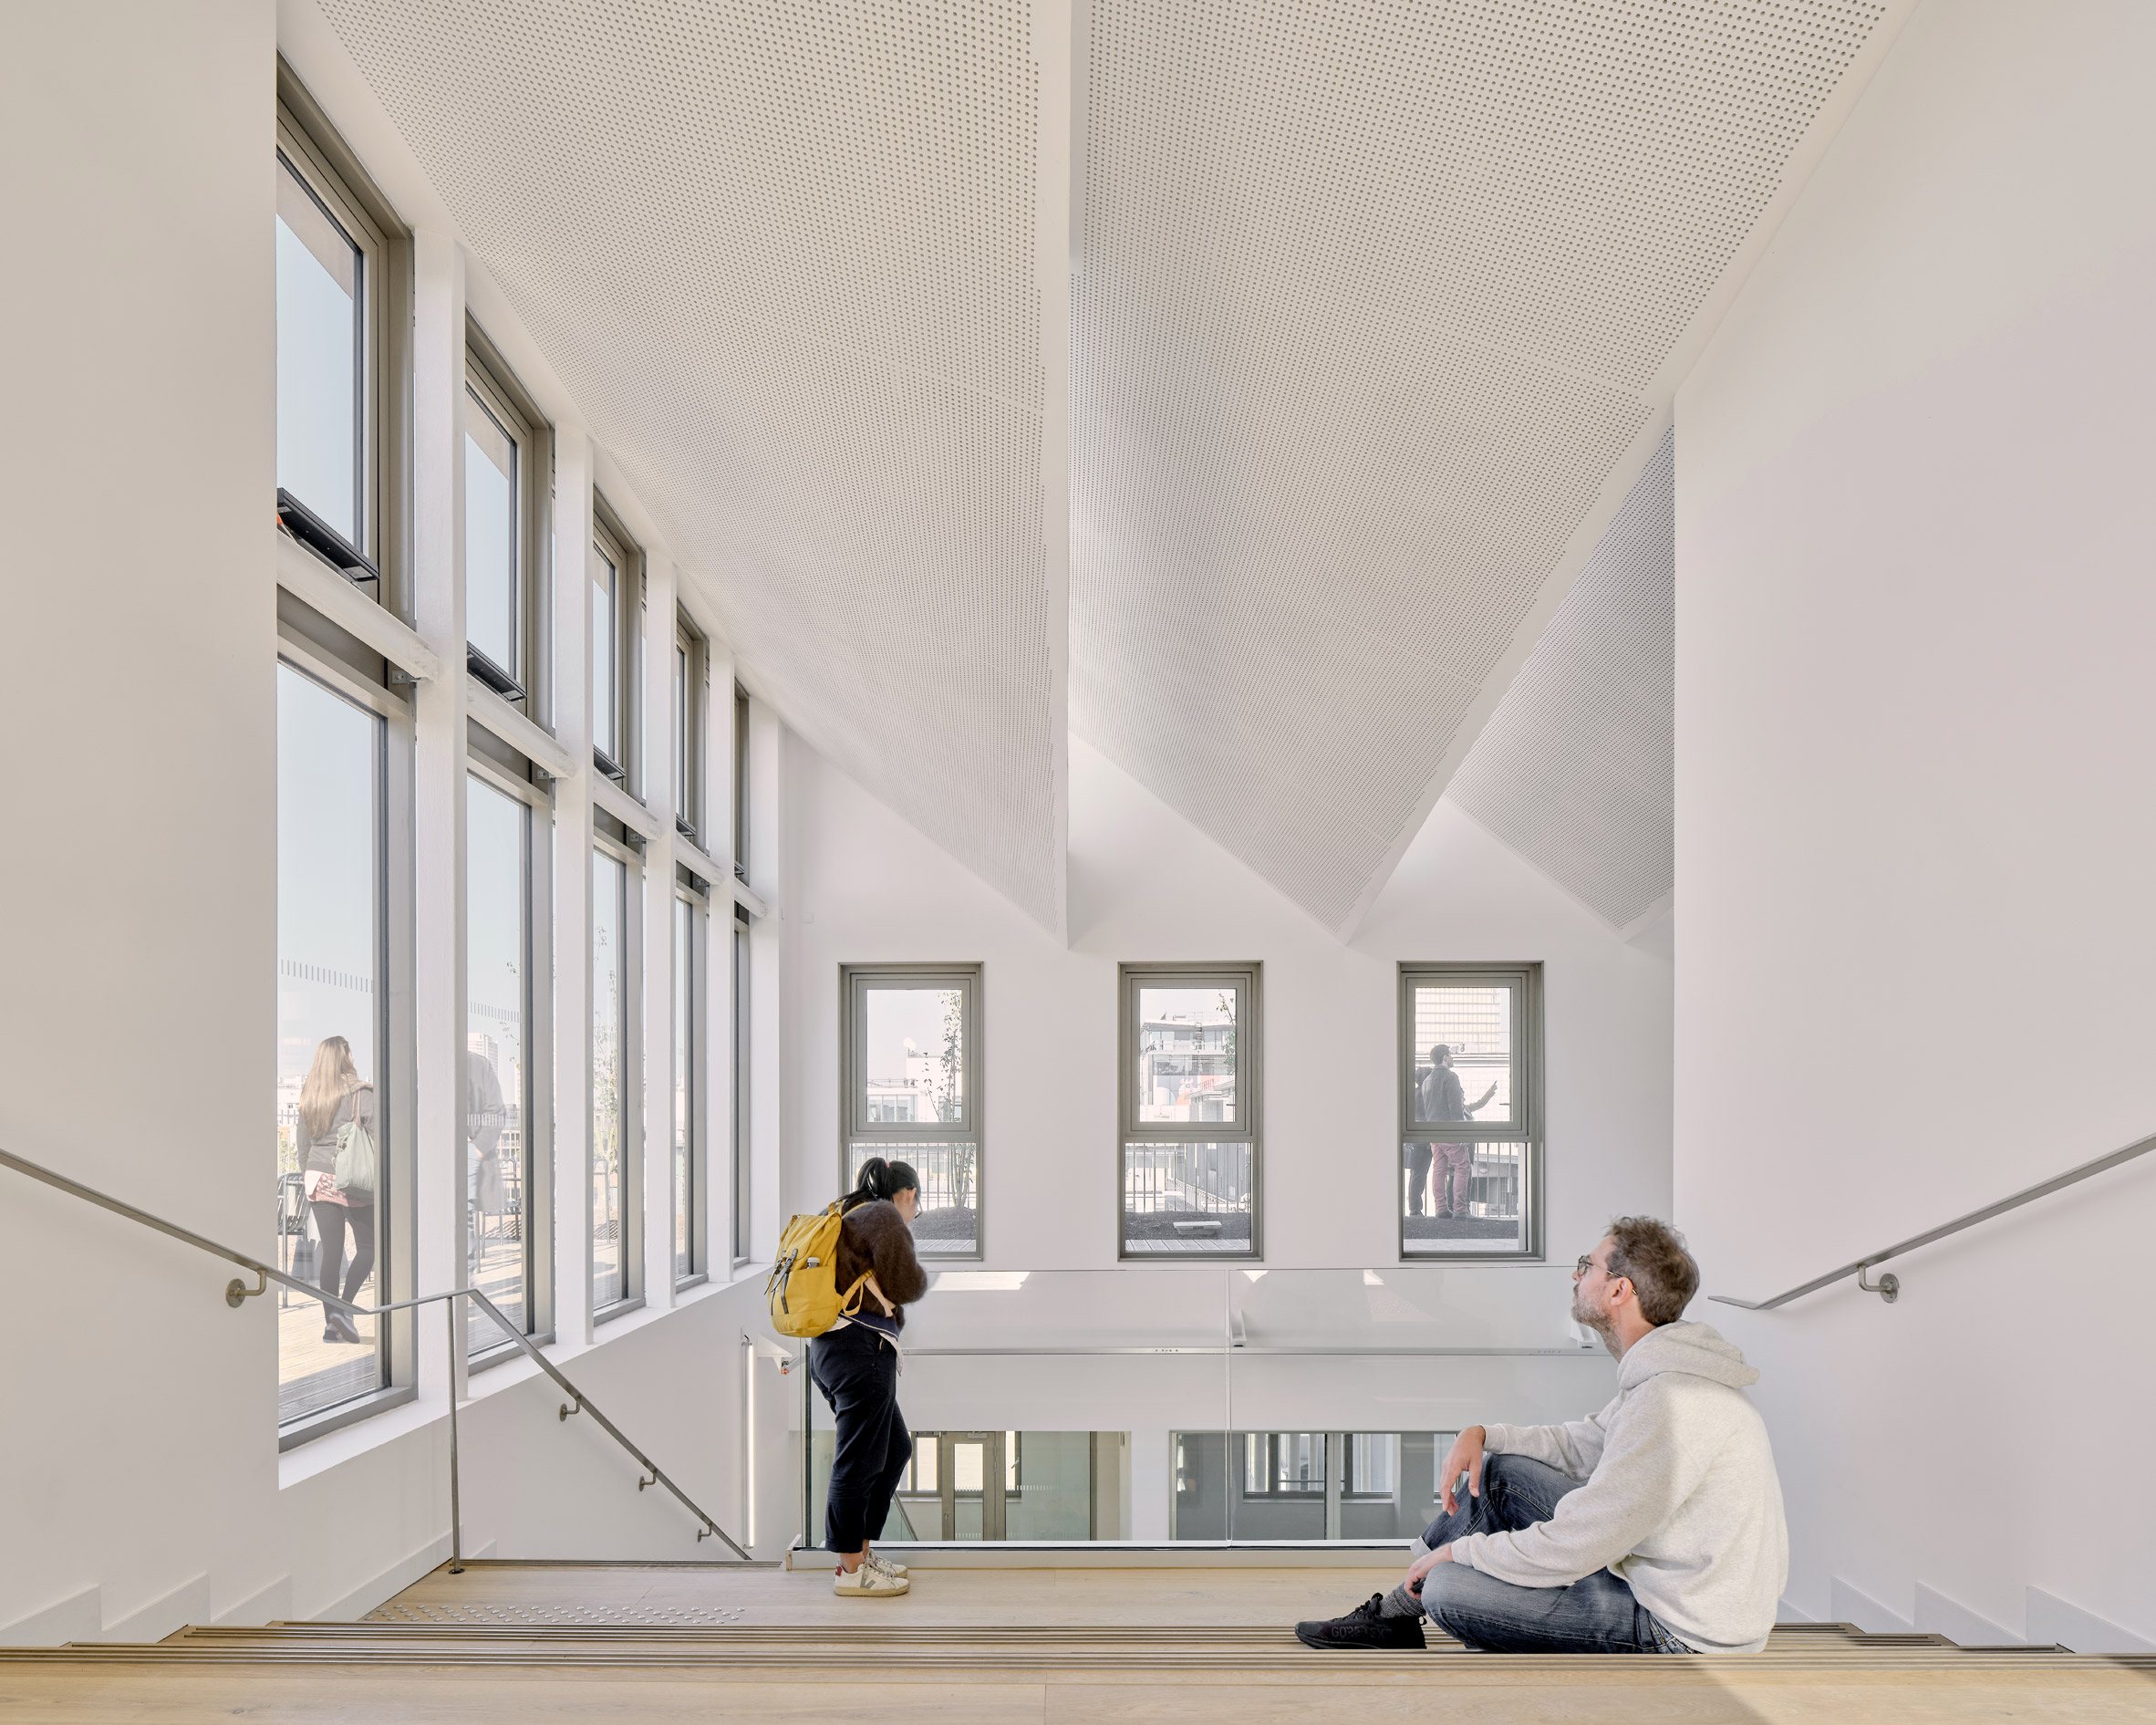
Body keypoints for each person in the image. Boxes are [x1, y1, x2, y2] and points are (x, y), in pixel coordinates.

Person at [1296, 1217, 1788, 1656]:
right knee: (1501, 1473)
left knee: (1449, 1588)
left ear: (1620, 1291)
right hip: (1665, 1584)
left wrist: (1460, 1552)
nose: (1576, 1275)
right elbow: (1581, 1445)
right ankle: (1398, 1611)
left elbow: (1578, 1541)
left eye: (1587, 1265)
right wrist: (1484, 1434)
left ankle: (1407, 1604)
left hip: (1683, 1627)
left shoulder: (1673, 1402)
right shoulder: (1664, 1378)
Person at [810, 1157, 930, 1598]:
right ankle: (850, 1572)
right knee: (858, 1462)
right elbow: (909, 1285)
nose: (915, 1215)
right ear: (909, 1194)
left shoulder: (850, 1209)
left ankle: (860, 1554)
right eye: (917, 1205)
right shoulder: (882, 1214)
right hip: (861, 1351)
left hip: (832, 1351)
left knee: (895, 1447)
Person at [296, 1035, 377, 1347]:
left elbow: (303, 1146)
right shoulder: (362, 1093)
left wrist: (309, 1176)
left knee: (332, 1253)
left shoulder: (310, 1096)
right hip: (350, 1178)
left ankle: (332, 1325)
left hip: (317, 1178)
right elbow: (379, 1137)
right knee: (369, 1247)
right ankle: (343, 1310)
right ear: (346, 1058)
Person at [1409, 1044, 1497, 1220]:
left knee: (1439, 1169)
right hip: (1450, 1132)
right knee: (1463, 1167)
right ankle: (1460, 1209)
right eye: (1451, 1054)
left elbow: (1428, 1109)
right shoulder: (1450, 1077)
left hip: (1434, 1134)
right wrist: (1461, 1133)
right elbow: (1456, 1109)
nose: (1453, 1057)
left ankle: (1441, 1208)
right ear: (1445, 1057)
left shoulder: (1427, 1081)